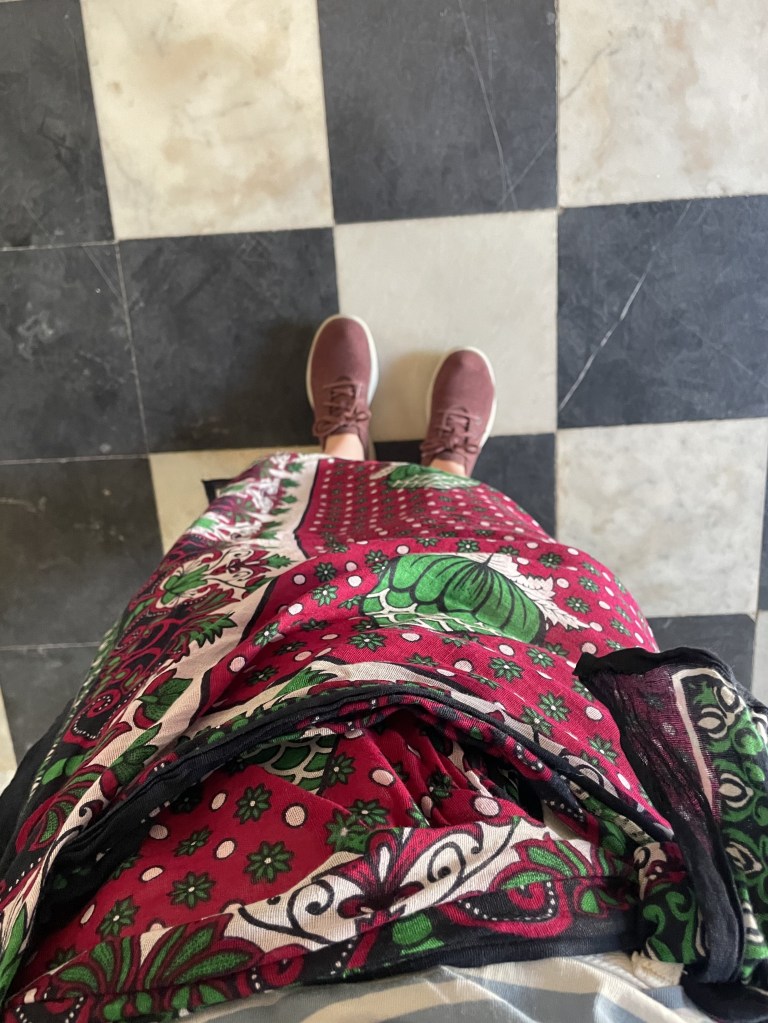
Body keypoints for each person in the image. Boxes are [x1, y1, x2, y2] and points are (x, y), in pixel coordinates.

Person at [0, 317, 765, 1023]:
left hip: (159, 907)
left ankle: (341, 451)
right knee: (503, 588)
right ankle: (446, 472)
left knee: (255, 590)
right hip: (607, 914)